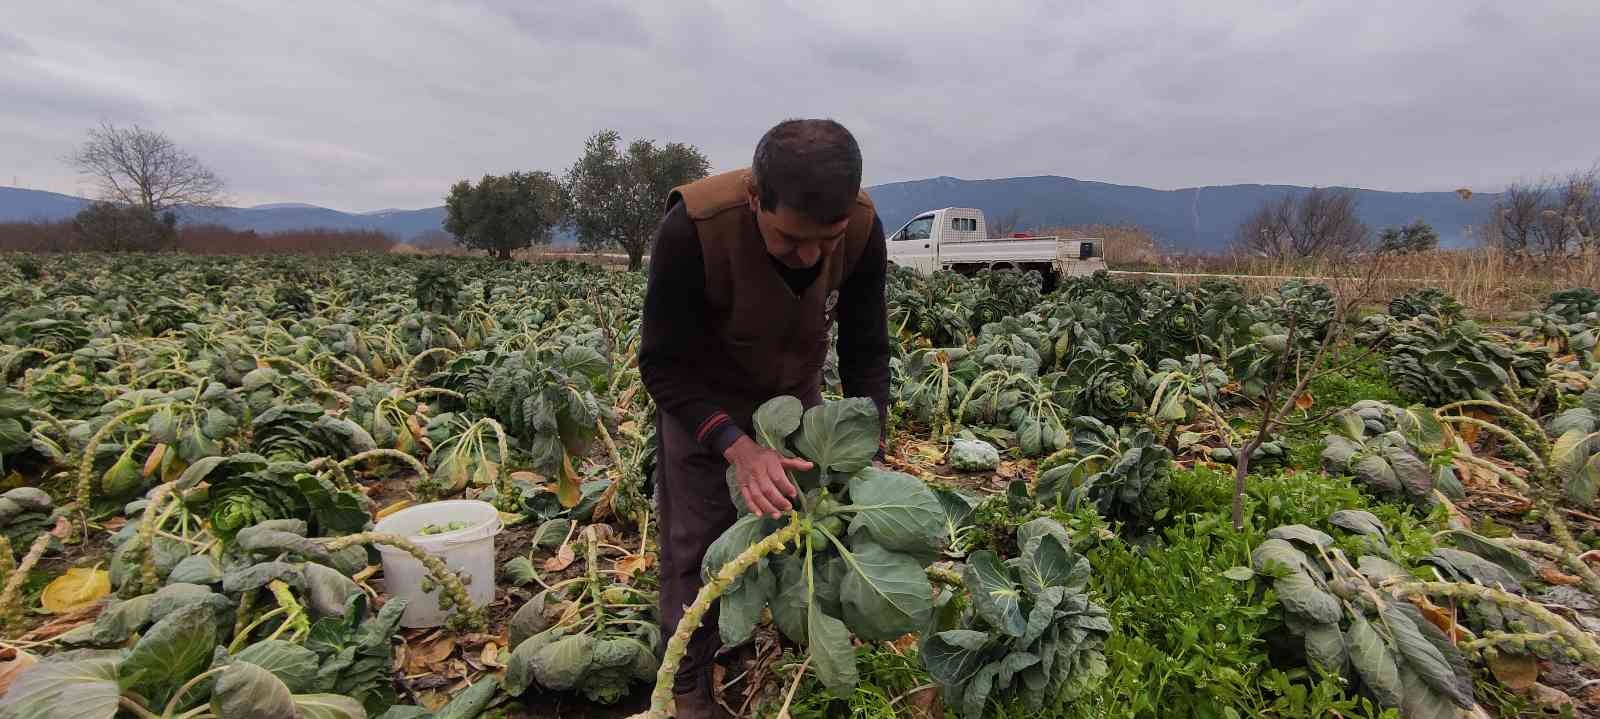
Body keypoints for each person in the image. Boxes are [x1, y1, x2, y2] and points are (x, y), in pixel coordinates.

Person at [638, 118, 890, 718]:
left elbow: (866, 350)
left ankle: (743, 643)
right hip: (701, 398)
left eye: (824, 243)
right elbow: (662, 365)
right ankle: (689, 678)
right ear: (754, 198)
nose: (809, 257)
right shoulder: (694, 228)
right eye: (789, 240)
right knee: (696, 543)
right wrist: (737, 447)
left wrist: (870, 445)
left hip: (793, 397)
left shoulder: (861, 228)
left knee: (785, 531)